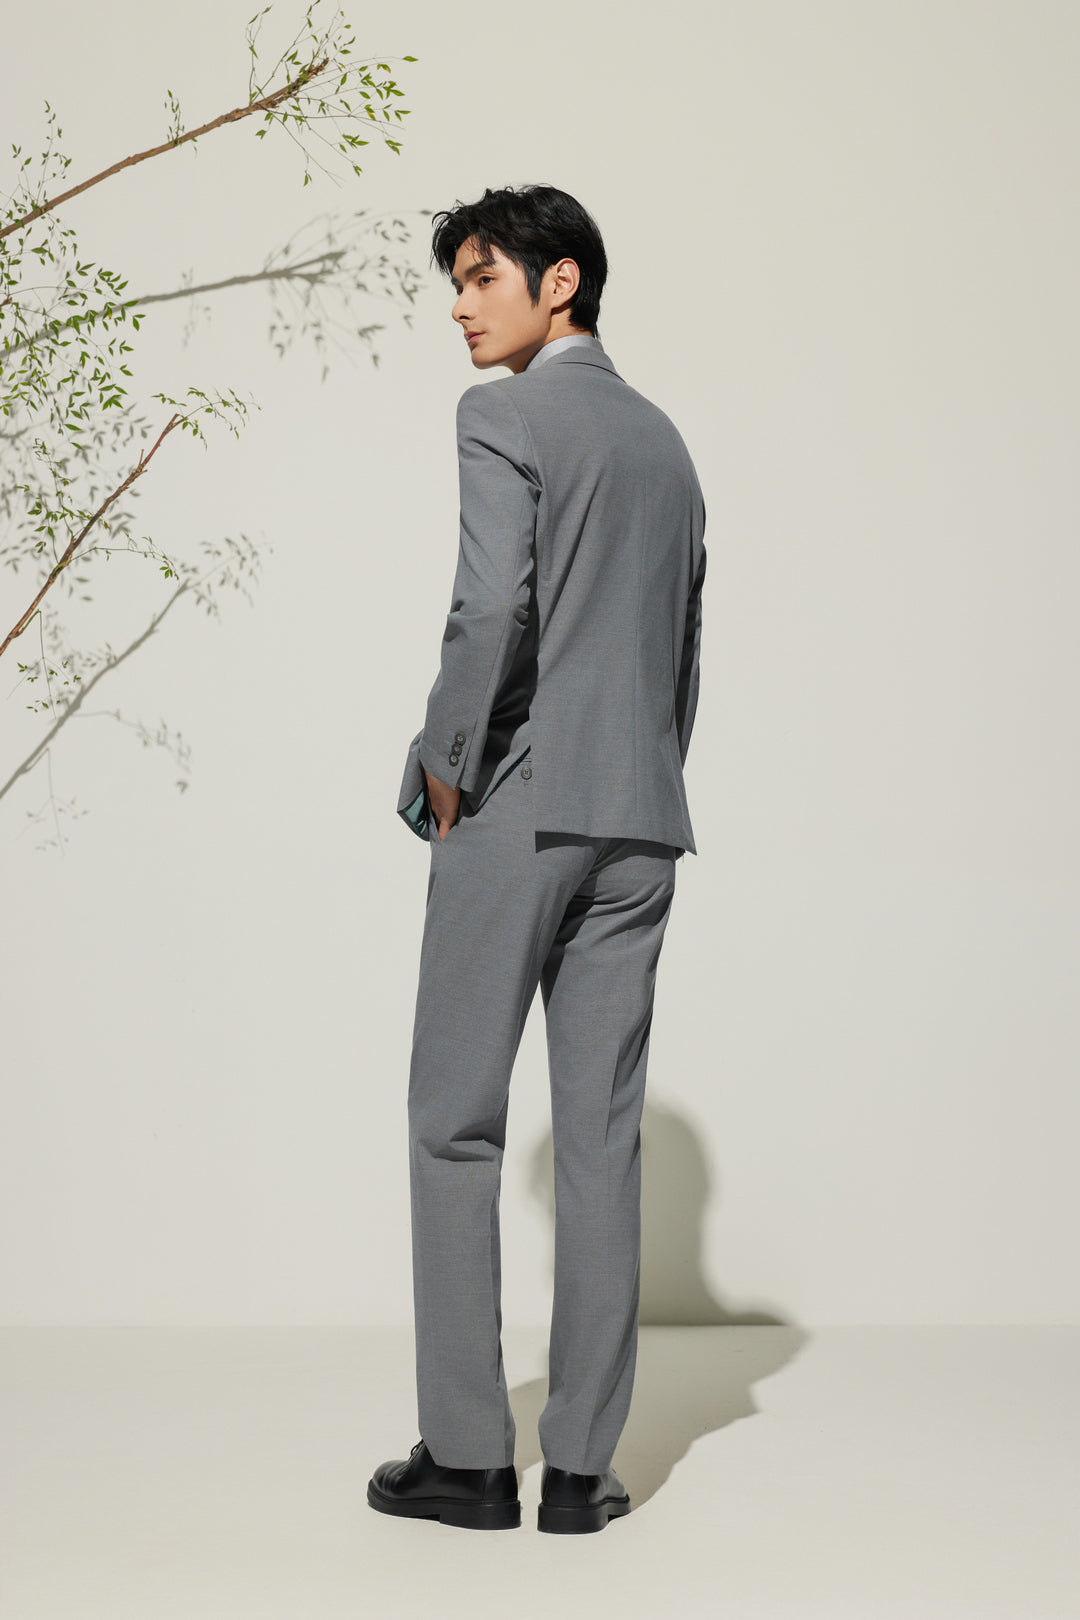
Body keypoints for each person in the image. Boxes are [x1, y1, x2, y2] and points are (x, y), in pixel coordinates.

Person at [368, 184, 707, 1534]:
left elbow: (489, 605)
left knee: (454, 1123)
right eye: (455, 283)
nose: (459, 307)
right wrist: (648, 778)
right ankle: (579, 1472)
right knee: (603, 1141)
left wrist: (447, 761)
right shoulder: (667, 443)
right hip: (642, 815)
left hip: (518, 805)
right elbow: (681, 647)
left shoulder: (501, 415)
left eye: (481, 277)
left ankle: (465, 1459)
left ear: (559, 282)